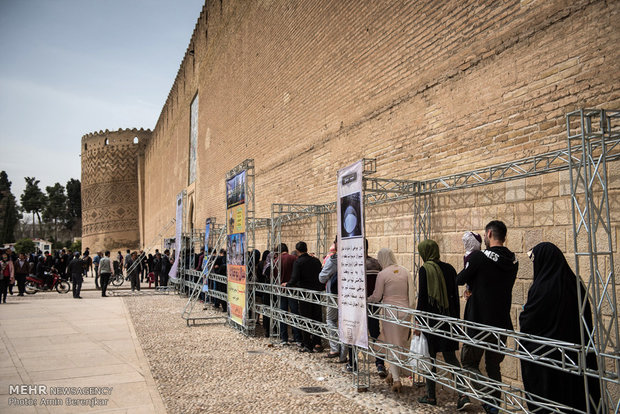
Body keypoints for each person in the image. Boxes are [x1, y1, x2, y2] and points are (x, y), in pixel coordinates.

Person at [519, 242, 600, 413]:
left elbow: (528, 321)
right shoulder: (575, 283)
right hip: (576, 356)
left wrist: (524, 312)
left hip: (549, 358)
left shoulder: (542, 289)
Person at [456, 220, 518, 414]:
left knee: (468, 362)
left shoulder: (479, 257)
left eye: (485, 234)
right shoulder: (513, 261)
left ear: (489, 234)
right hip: (501, 322)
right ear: (504, 236)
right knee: (493, 367)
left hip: (479, 322)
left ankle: (488, 398)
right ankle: (494, 408)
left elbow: (460, 279)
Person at [416, 240, 470, 410]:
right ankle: (463, 394)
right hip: (448, 321)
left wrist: (417, 321)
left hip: (431, 322)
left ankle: (431, 396)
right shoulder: (450, 269)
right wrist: (454, 320)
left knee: (430, 358)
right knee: (451, 359)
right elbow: (454, 296)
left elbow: (423, 298)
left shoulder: (425, 269)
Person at [367, 248, 411, 393]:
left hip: (390, 313)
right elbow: (412, 292)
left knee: (391, 344)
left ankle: (397, 380)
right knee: (401, 343)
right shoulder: (404, 271)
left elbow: (377, 295)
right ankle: (392, 374)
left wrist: (366, 300)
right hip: (405, 312)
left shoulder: (382, 274)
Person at [287, 241, 324, 353]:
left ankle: (307, 344)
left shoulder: (298, 262)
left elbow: (294, 278)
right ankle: (317, 343)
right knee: (317, 318)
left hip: (304, 294)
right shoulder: (316, 261)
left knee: (305, 318)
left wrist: (287, 284)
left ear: (297, 251)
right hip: (316, 293)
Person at [318, 237, 347, 362]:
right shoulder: (355, 257)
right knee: (346, 323)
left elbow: (322, 278)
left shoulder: (334, 259)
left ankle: (335, 348)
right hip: (351, 295)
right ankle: (344, 355)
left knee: (331, 319)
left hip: (334, 295)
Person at [273, 243, 302, 346]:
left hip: (281, 290)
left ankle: (284, 338)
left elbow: (273, 276)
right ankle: (297, 338)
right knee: (295, 314)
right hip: (292, 289)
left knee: (283, 314)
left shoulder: (276, 261)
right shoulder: (294, 258)